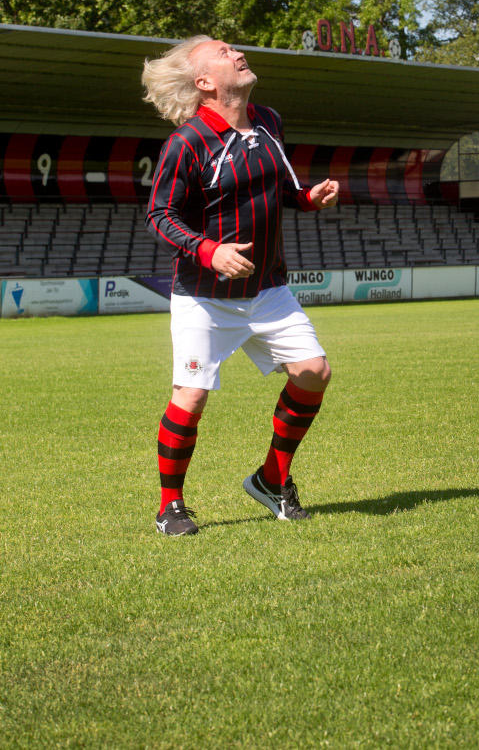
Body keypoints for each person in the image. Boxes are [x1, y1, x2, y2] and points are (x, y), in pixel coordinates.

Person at [141, 36, 339, 535]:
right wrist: (211, 250)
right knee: (191, 397)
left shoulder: (268, 121)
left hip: (269, 289)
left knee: (314, 371)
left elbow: (281, 187)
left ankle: (272, 479)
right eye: (224, 52)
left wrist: (308, 198)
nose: (237, 53)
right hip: (204, 298)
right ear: (204, 82)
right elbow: (159, 215)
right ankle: (170, 508)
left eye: (234, 48)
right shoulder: (186, 142)